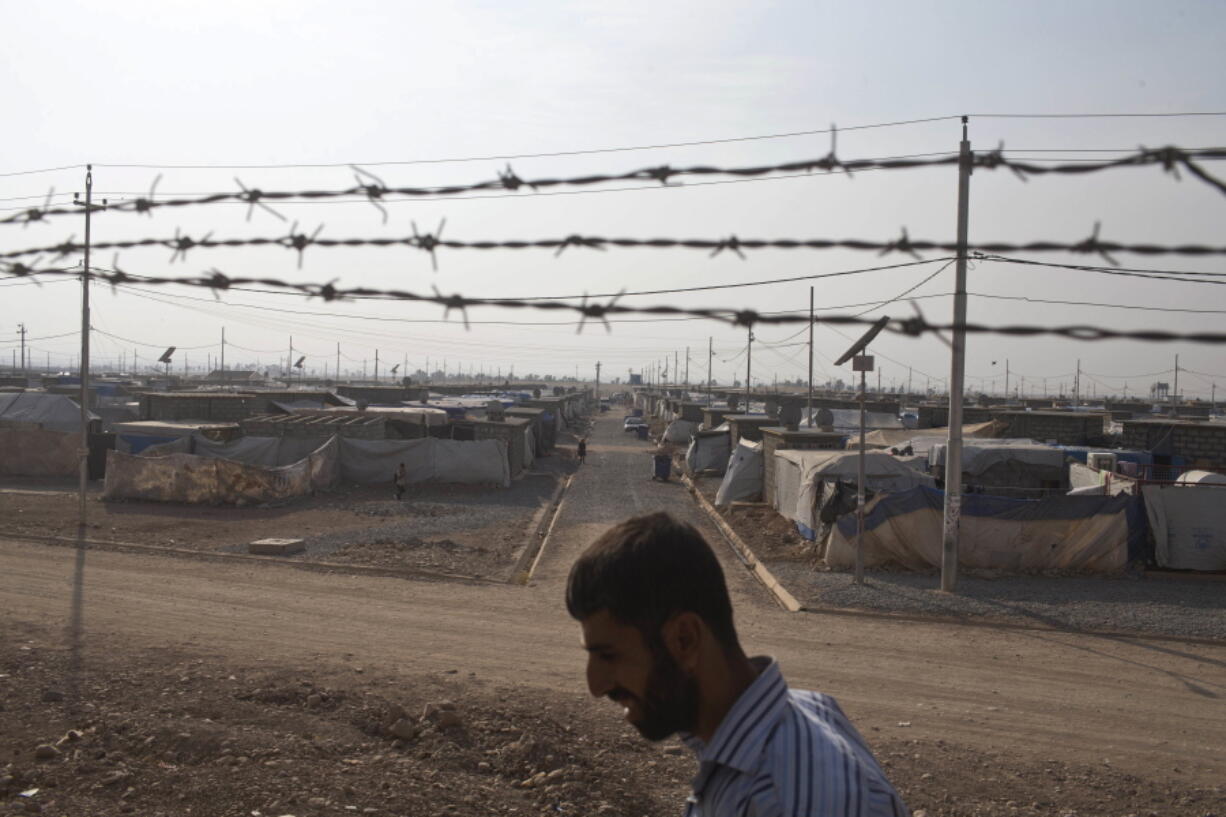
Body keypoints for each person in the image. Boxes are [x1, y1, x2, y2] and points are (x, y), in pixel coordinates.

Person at [566, 513, 907, 817]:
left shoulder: (793, 801)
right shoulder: (798, 715)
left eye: (609, 656)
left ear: (685, 640)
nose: (597, 686)